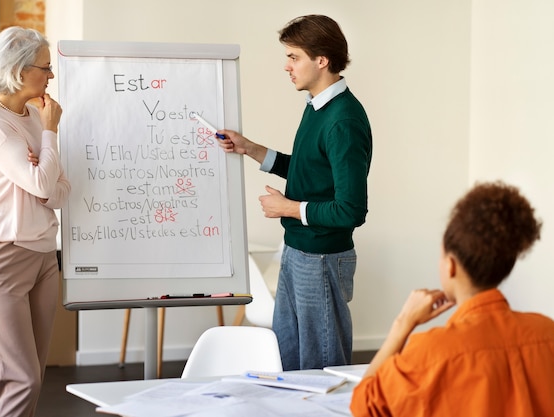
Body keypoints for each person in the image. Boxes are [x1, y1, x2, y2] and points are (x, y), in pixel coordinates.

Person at [218, 15, 372, 370]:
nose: (286, 66)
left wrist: (288, 208)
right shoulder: (318, 107)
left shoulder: (343, 120)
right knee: (290, 357)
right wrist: (250, 148)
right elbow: (309, 171)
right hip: (299, 249)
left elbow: (351, 210)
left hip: (320, 258)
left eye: (294, 57)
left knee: (320, 364)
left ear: (322, 60)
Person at [350, 181, 554, 417]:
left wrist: (403, 323)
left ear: (451, 266)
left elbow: (364, 406)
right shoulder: (547, 333)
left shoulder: (430, 354)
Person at [0, 26, 70, 417]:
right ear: (20, 71)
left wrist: (43, 161)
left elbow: (56, 193)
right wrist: (51, 135)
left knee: (34, 378)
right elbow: (43, 182)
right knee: (18, 381)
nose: (51, 76)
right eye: (46, 67)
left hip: (43, 256)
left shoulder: (33, 119)